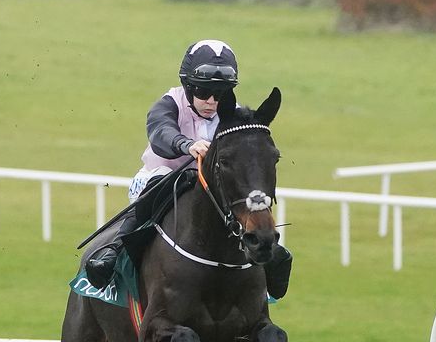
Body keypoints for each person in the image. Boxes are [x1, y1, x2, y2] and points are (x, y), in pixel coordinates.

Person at [84, 39, 292, 299]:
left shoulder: (234, 115)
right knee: (158, 182)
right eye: (203, 92)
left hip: (210, 187)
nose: (211, 101)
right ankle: (114, 251)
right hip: (163, 178)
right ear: (187, 85)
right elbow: (161, 132)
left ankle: (266, 256)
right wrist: (186, 145)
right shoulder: (170, 103)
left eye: (220, 94)